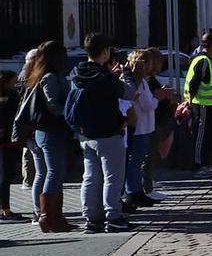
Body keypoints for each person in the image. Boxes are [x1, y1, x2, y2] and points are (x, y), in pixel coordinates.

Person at [69, 33, 133, 234]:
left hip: (85, 134)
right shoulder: (107, 78)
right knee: (112, 177)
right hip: (108, 133)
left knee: (90, 177)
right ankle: (113, 216)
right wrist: (126, 75)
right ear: (105, 52)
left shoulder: (76, 74)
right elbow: (130, 93)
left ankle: (91, 219)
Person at [19, 41, 71, 232]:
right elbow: (53, 105)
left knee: (53, 172)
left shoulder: (50, 75)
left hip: (51, 130)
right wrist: (70, 111)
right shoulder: (49, 77)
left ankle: (55, 215)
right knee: (53, 172)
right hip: (49, 130)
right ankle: (47, 216)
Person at [120, 50, 164, 214]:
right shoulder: (135, 81)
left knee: (137, 161)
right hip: (139, 127)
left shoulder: (142, 81)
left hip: (144, 126)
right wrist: (157, 98)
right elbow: (147, 104)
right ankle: (132, 191)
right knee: (135, 161)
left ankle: (136, 190)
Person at [182, 30, 212, 176]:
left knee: (207, 134)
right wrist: (189, 100)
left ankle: (206, 163)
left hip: (208, 104)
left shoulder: (206, 59)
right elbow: (194, 83)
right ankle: (198, 164)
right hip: (201, 104)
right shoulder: (203, 61)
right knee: (200, 134)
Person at [0, 68, 22, 221]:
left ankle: (3, 208)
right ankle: (5, 209)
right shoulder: (12, 97)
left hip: (4, 140)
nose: (16, 84)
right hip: (7, 141)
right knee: (5, 175)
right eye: (14, 82)